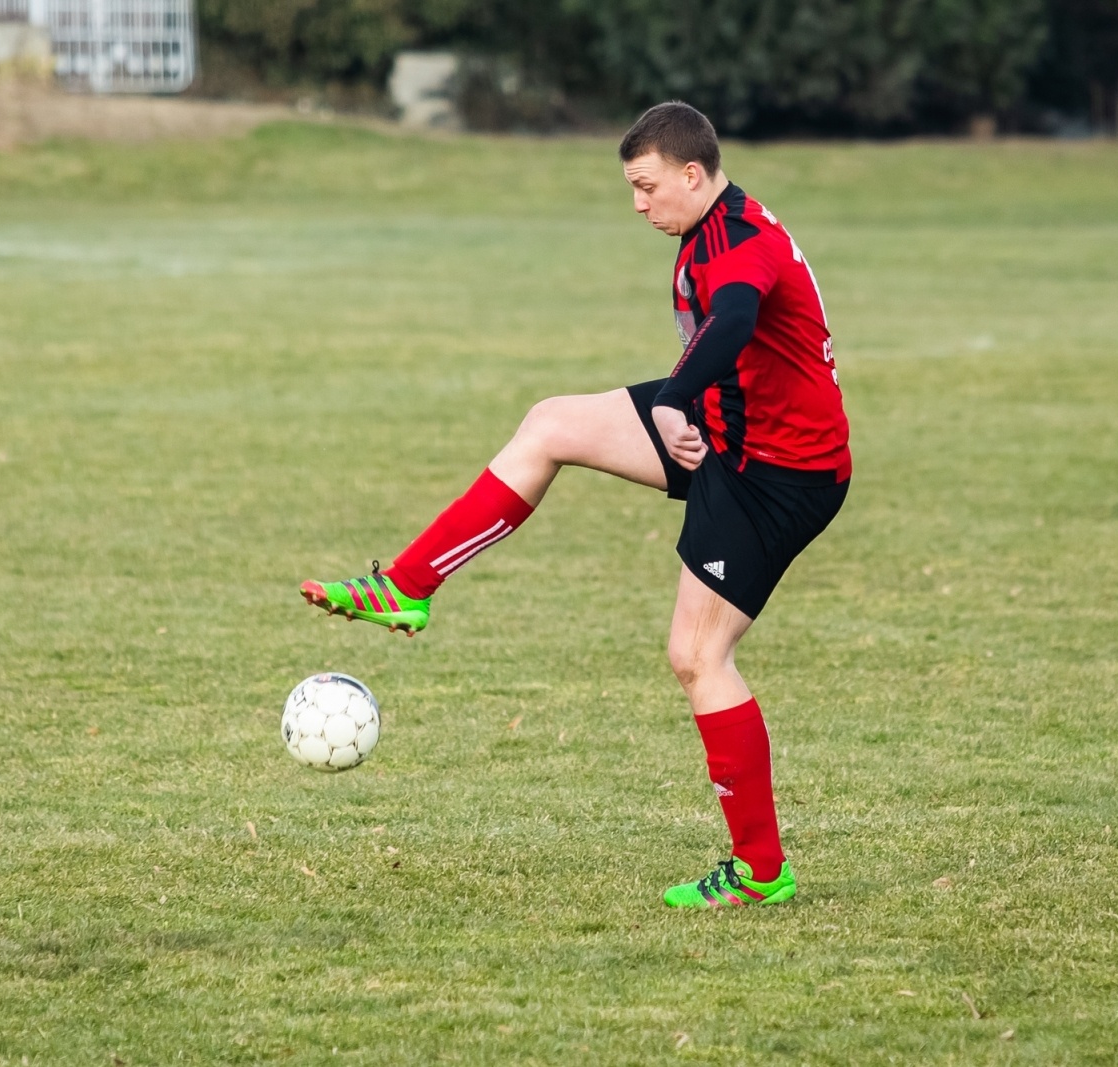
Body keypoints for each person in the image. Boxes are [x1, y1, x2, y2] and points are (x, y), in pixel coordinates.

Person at [303, 101, 851, 907]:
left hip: (776, 471)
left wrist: (675, 401)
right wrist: (683, 402)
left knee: (698, 657)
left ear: (692, 173)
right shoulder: (710, 223)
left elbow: (735, 318)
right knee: (551, 424)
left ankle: (762, 871)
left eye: (647, 186)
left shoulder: (740, 242)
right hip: (727, 423)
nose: (638, 204)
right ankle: (407, 587)